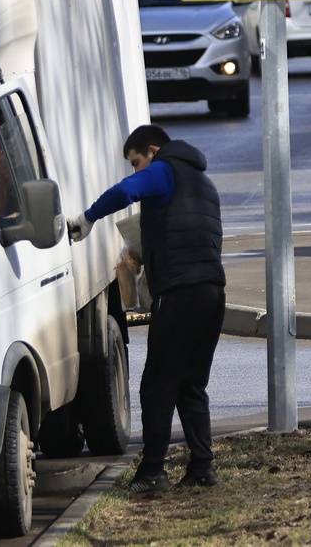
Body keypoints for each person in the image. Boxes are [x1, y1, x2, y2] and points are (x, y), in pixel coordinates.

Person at [83, 123, 222, 493]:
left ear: (154, 150)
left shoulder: (163, 169)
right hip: (212, 293)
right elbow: (187, 234)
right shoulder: (202, 182)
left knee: (157, 386)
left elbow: (128, 192)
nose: (135, 170)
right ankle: (203, 468)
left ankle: (152, 473)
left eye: (136, 161)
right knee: (191, 384)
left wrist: (88, 217)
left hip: (180, 295)